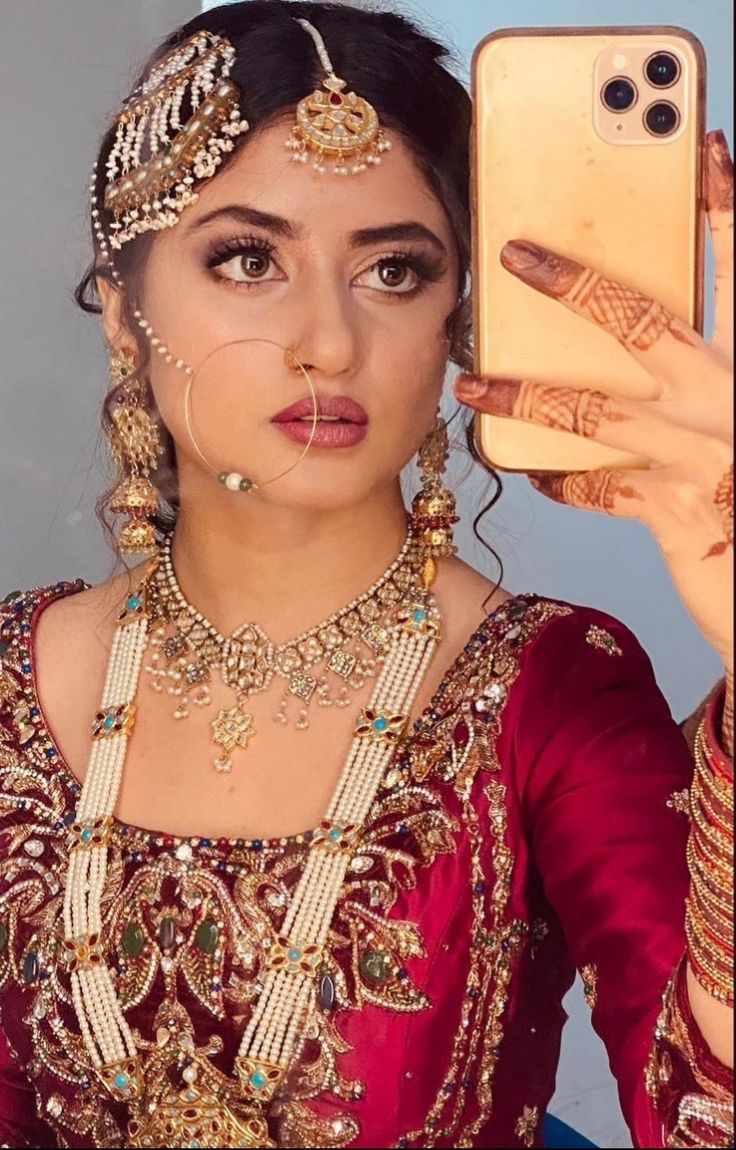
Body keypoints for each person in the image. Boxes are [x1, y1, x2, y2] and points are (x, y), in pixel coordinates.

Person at [0, 3, 732, 1147]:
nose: (329, 342)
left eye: (394, 270)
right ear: (127, 311)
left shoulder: (546, 693)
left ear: (455, 318)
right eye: (248, 259)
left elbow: (702, 1112)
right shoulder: (11, 681)